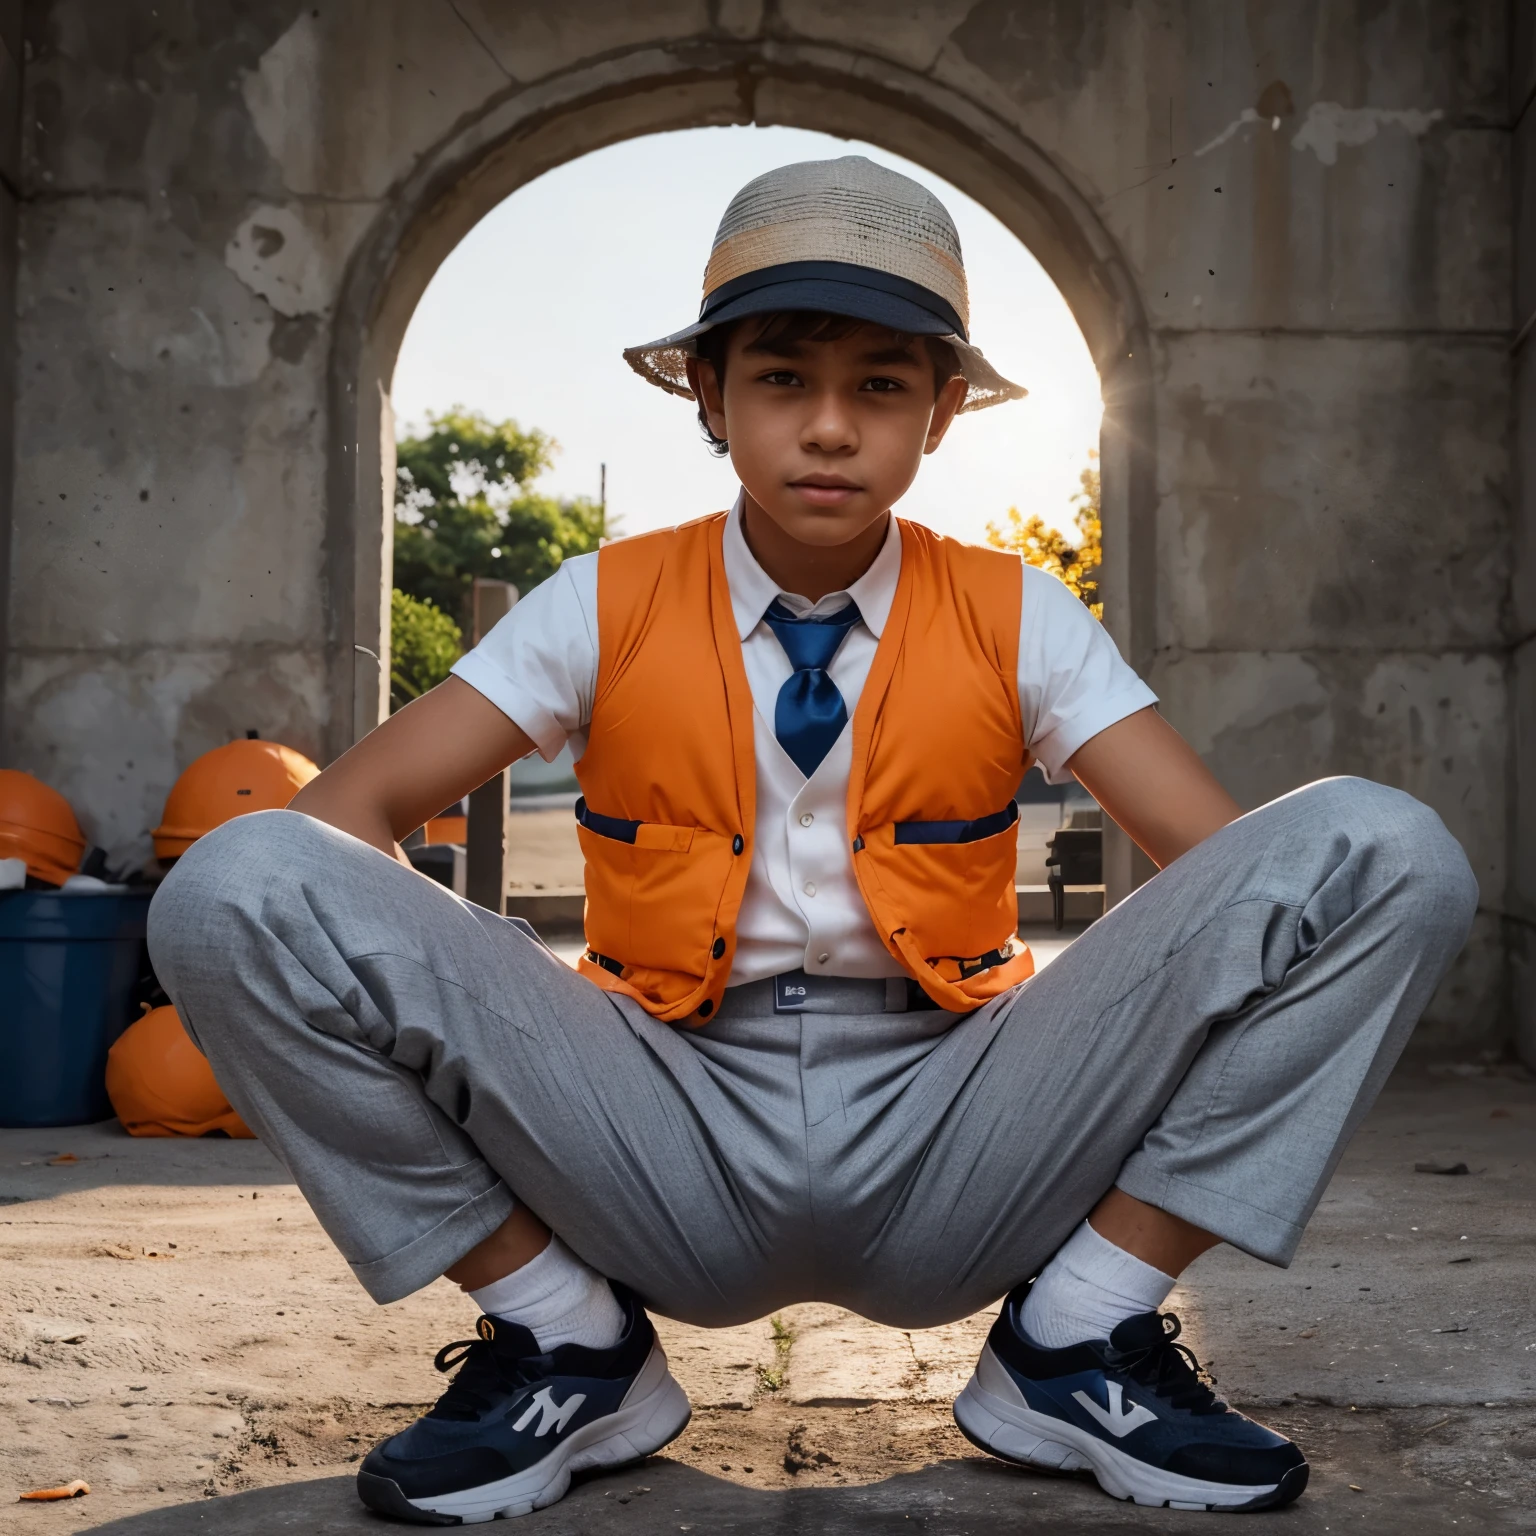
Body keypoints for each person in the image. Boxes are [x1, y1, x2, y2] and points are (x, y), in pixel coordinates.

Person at [148, 156, 1478, 1523]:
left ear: (942, 414)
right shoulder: (598, 603)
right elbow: (335, 826)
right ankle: (564, 1340)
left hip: (964, 1124)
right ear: (711, 399)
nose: (830, 427)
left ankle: (1081, 1336)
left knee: (1386, 852)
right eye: (783, 379)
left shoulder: (1017, 615)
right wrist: (461, 1015)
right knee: (235, 880)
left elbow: (1231, 884)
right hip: (649, 1120)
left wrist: (1143, 1071)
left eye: (882, 386)